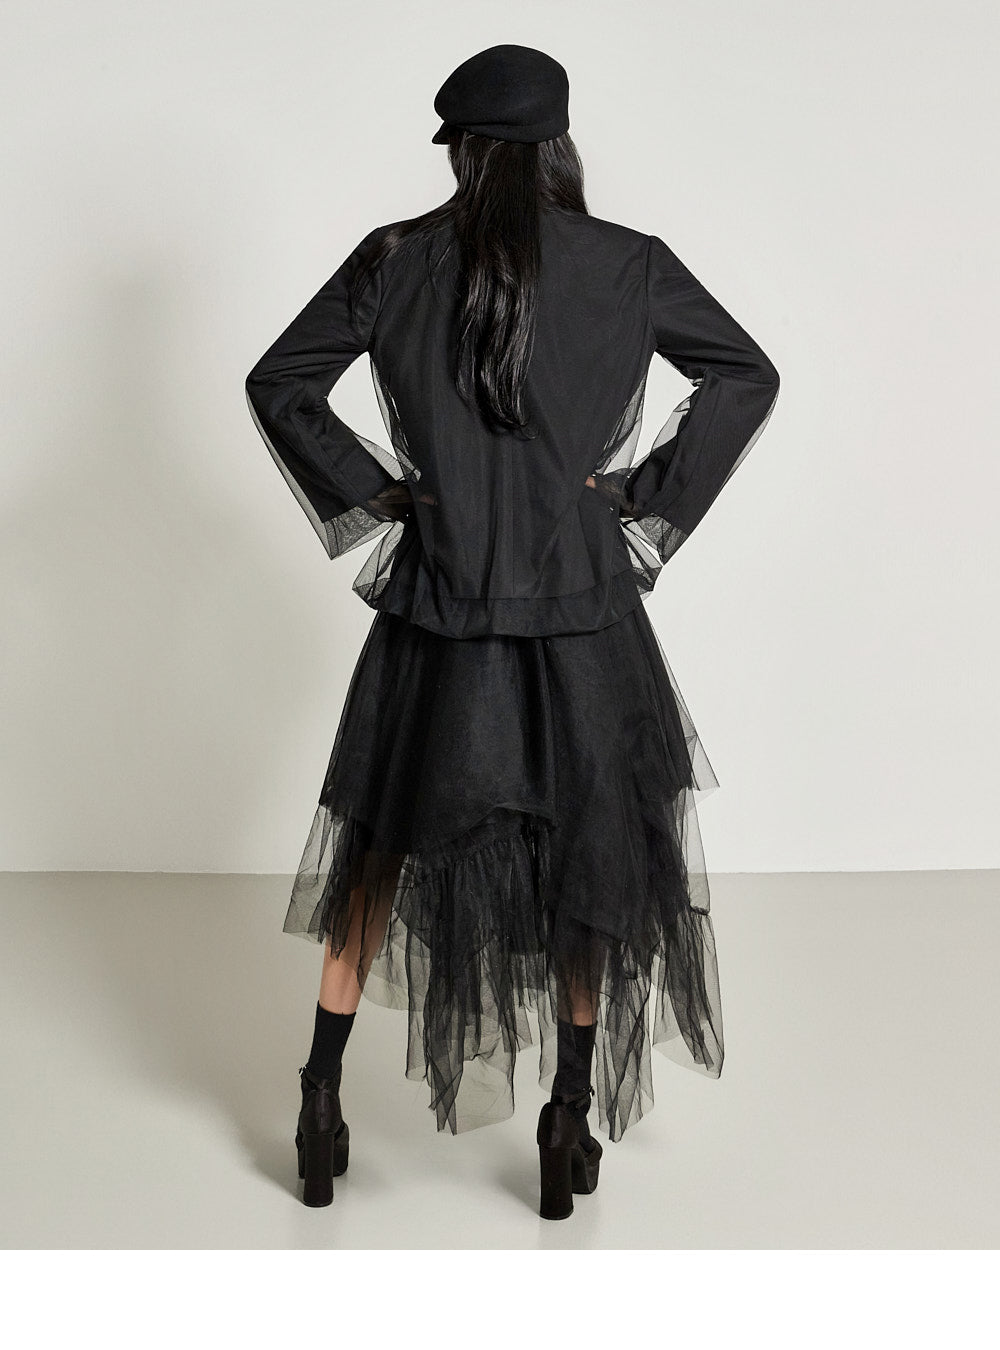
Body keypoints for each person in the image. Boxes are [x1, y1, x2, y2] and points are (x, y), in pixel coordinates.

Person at [244, 43, 780, 1219]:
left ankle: (320, 1101)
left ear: (463, 150)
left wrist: (381, 491)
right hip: (582, 610)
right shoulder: (627, 265)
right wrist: (643, 492)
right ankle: (566, 1118)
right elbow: (745, 374)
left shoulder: (394, 260)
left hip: (437, 612)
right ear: (556, 146)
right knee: (590, 859)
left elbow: (279, 383)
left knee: (376, 851)